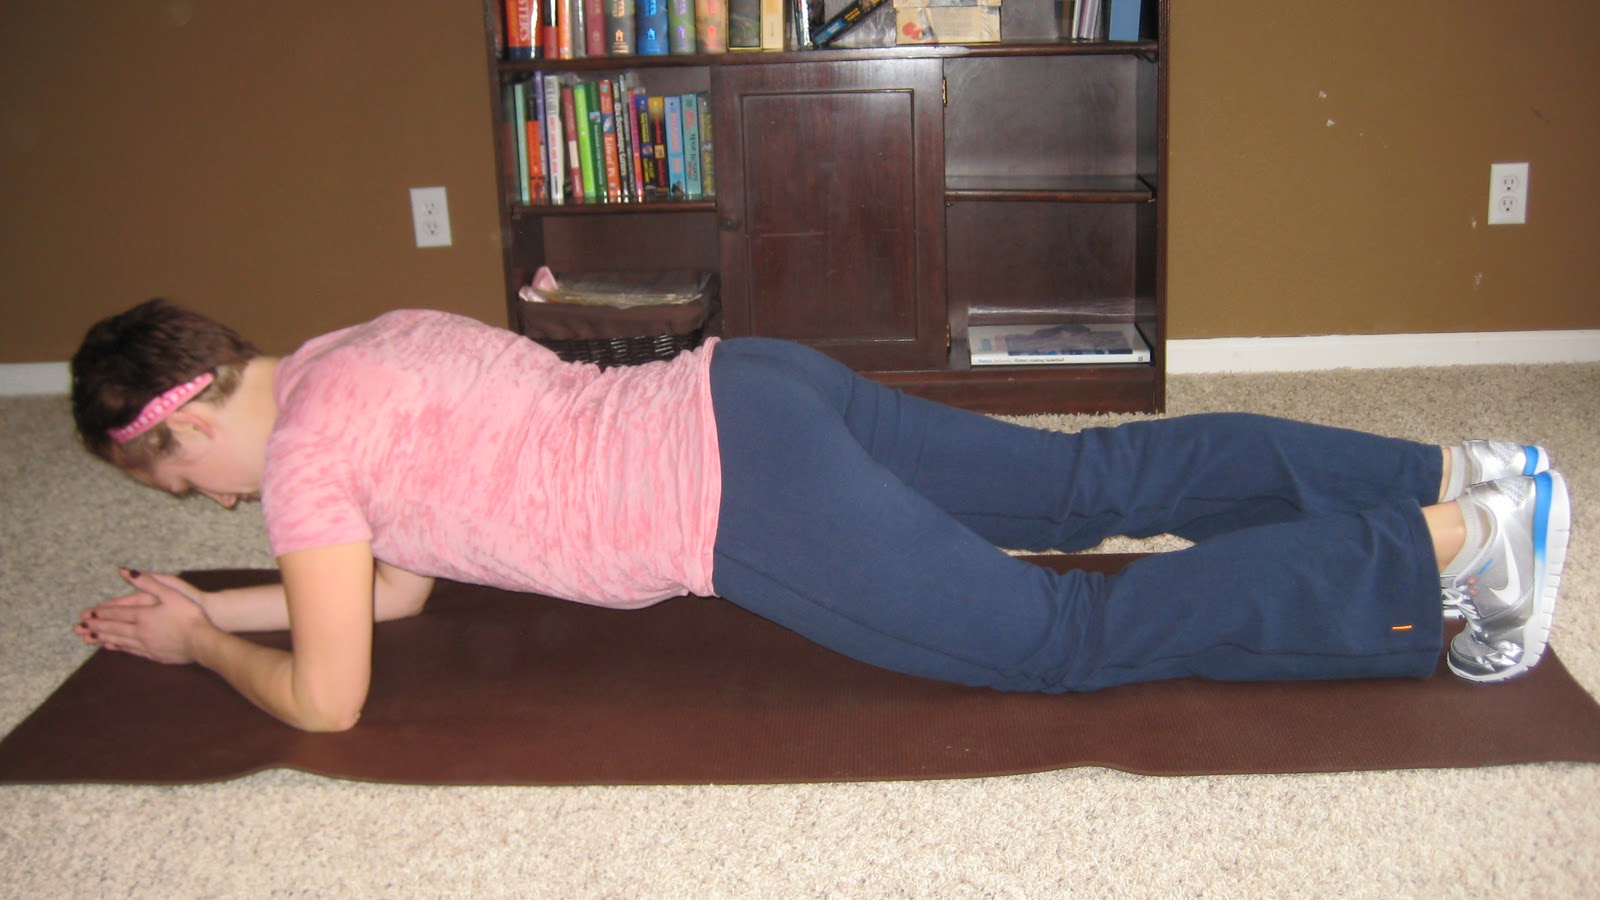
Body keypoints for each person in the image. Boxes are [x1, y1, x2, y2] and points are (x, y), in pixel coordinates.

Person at [69, 300, 1571, 732]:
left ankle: (1465, 546)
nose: (221, 502)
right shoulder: (353, 348)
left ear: (180, 429)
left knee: (1062, 636)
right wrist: (216, 603)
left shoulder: (309, 462)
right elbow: (389, 591)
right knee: (1089, 482)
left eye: (187, 486)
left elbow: (331, 697)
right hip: (751, 386)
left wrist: (206, 652)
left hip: (735, 495)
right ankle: (1439, 472)